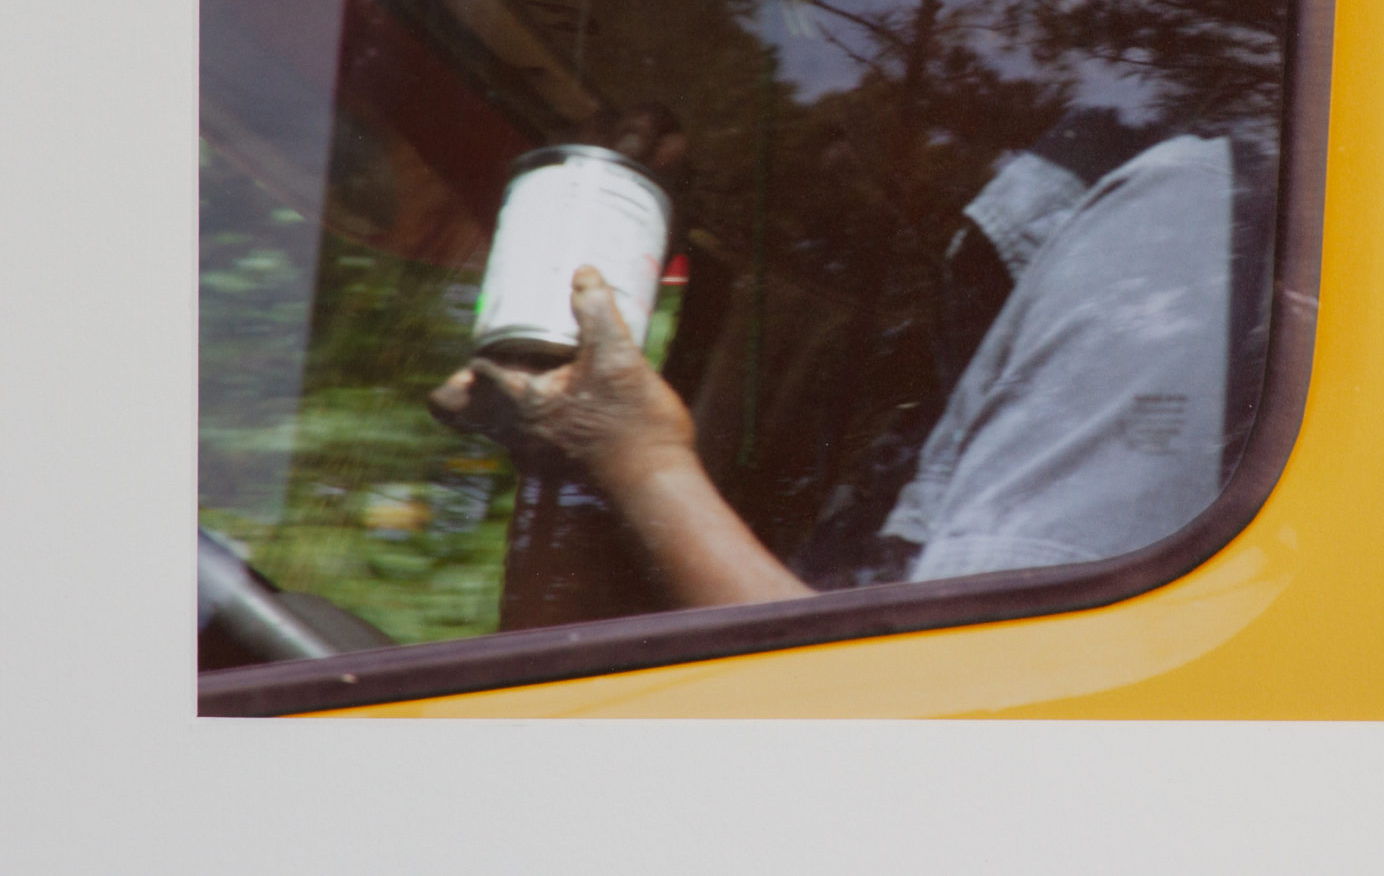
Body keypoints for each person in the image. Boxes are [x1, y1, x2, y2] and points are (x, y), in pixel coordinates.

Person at [429, 119, 1245, 609]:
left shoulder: (1169, 227)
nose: (803, 99)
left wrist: (634, 461)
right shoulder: (894, 340)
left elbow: (963, 712)